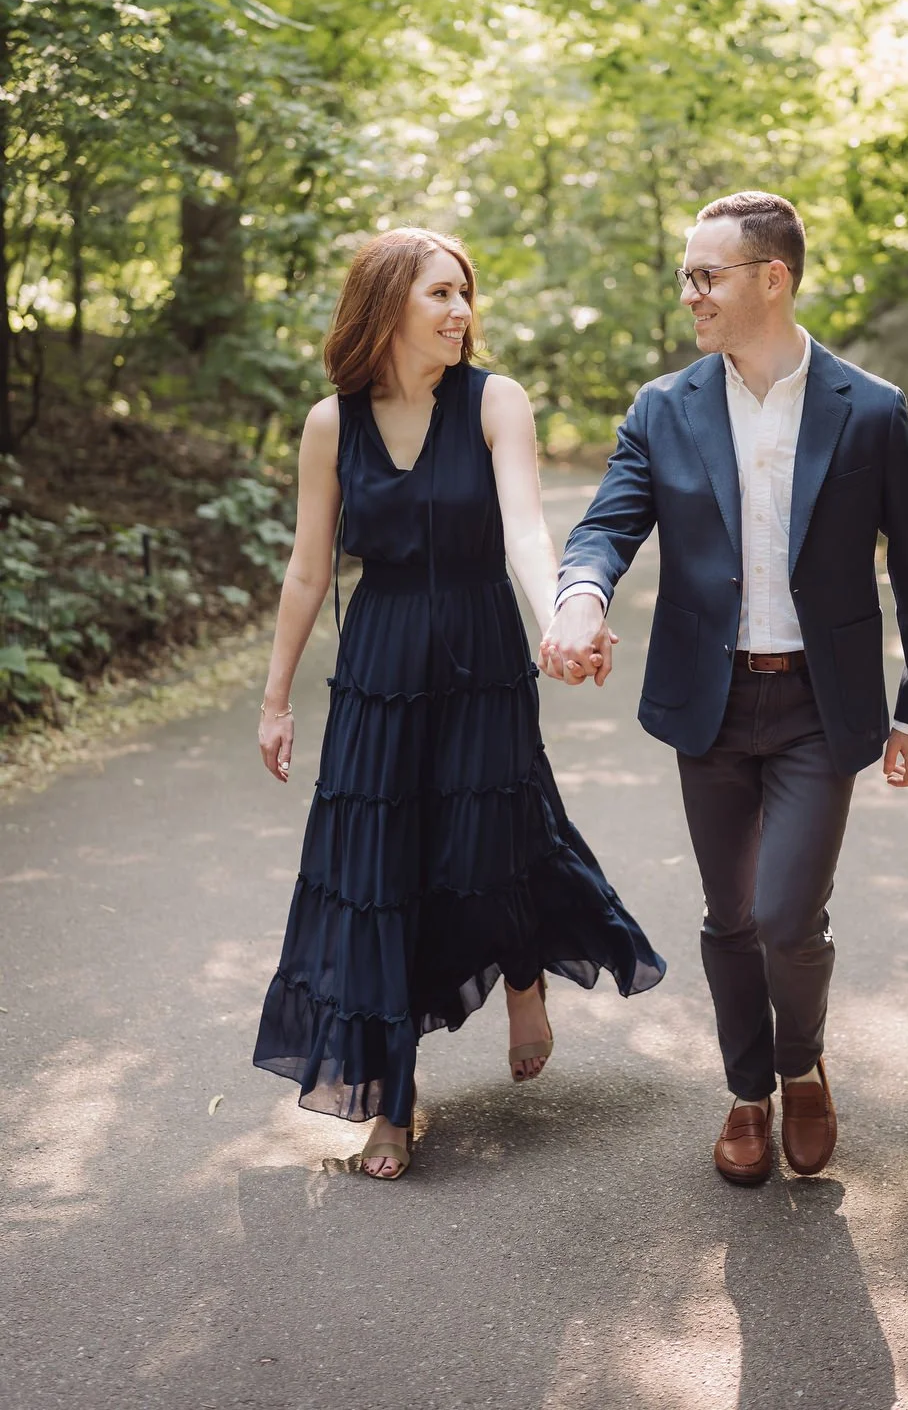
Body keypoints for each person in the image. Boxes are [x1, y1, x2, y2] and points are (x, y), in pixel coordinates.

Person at [539, 191, 908, 1185]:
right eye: (688, 276)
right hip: (709, 701)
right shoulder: (663, 408)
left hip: (822, 704)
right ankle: (746, 1093)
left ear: (773, 278)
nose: (691, 295)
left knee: (784, 917)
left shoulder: (871, 409)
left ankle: (803, 1065)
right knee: (729, 917)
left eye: (706, 275)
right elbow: (606, 527)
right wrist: (580, 600)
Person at [253, 227, 665, 1178]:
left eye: (465, 293)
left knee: (493, 836)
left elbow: (526, 527)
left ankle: (524, 976)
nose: (460, 311)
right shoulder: (331, 424)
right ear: (388, 304)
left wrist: (561, 614)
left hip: (483, 652)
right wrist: (276, 701)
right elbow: (309, 570)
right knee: (378, 872)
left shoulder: (495, 402)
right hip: (379, 666)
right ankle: (389, 1102)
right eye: (439, 293)